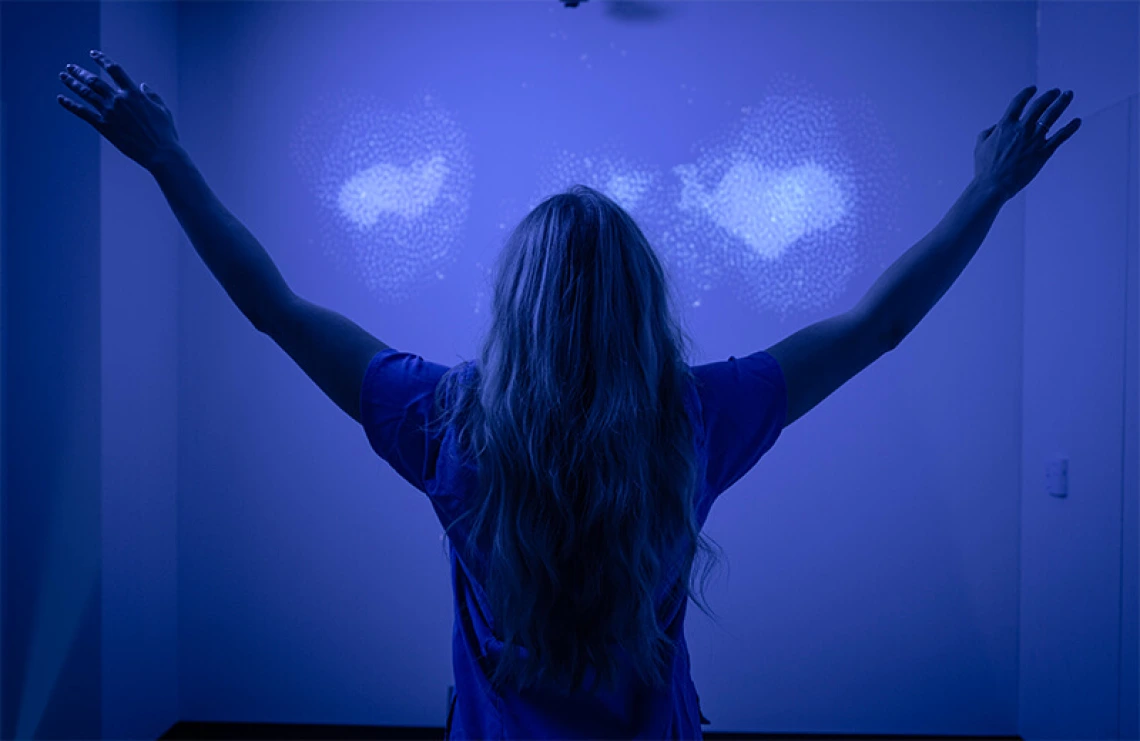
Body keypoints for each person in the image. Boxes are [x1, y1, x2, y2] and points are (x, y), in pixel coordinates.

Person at [59, 52, 1079, 738]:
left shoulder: (442, 419)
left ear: (514, 306)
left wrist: (168, 159)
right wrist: (986, 190)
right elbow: (876, 326)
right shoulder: (696, 419)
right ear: (644, 305)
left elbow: (274, 307)